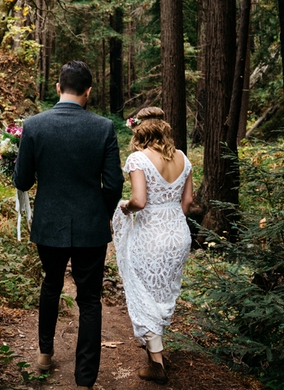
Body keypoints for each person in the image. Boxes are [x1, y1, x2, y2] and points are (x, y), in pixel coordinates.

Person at [13, 60, 124, 390]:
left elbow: (22, 179)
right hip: (91, 226)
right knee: (90, 299)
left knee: (50, 284)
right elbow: (114, 183)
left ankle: (45, 353)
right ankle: (85, 379)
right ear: (88, 92)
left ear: (58, 88)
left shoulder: (33, 126)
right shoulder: (103, 128)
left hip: (49, 223)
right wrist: (99, 212)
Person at [112, 106, 193, 385]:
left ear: (139, 132)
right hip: (178, 235)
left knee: (143, 292)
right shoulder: (183, 158)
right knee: (161, 294)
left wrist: (124, 206)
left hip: (150, 235)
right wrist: (171, 222)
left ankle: (156, 364)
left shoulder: (138, 159)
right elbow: (187, 204)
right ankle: (154, 348)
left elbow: (139, 201)